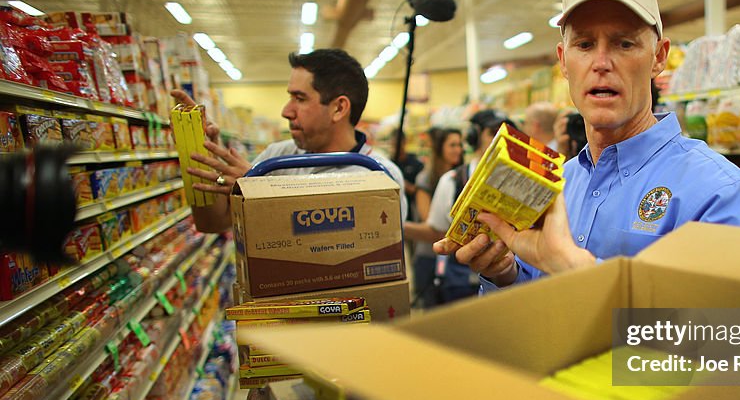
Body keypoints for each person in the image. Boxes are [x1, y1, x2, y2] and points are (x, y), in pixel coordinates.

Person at [433, 0, 740, 291]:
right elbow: (537, 307)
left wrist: (582, 272)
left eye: (625, 44)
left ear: (659, 57)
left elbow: (726, 333)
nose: (601, 63)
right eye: (585, 45)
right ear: (563, 60)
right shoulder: (557, 184)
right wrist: (506, 273)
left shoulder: (717, 190)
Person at [174, 48, 405, 234]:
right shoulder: (276, 157)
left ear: (338, 108)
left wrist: (258, 190)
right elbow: (212, 224)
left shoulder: (380, 176)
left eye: (300, 98)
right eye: (290, 97)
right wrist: (197, 147)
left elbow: (341, 247)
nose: (286, 111)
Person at [424, 109, 514, 303]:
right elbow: (437, 231)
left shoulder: (519, 184)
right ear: (475, 137)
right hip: (459, 286)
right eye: (494, 131)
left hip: (508, 286)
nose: (504, 137)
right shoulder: (451, 180)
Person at [402, 127, 464, 307]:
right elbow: (433, 227)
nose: (458, 150)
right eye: (452, 145)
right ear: (439, 148)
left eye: (460, 144)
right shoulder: (426, 179)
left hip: (454, 261)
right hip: (429, 258)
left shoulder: (462, 177)